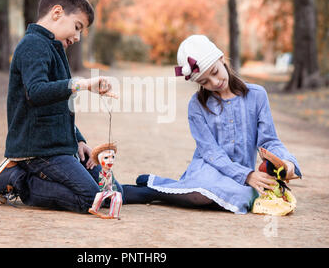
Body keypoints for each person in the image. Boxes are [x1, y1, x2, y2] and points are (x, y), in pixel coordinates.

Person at [122, 35, 302, 214]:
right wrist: (246, 175)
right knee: (204, 192)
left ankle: (158, 185)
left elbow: (269, 141)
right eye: (204, 82)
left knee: (242, 196)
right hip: (209, 167)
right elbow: (210, 152)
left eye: (215, 72)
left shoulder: (257, 96)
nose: (214, 83)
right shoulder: (197, 106)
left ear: (221, 58)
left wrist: (288, 162)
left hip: (240, 177)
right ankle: (148, 193)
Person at [0, 0, 120, 214]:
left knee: (113, 191)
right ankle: (19, 180)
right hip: (39, 149)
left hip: (60, 146)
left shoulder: (55, 49)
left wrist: (79, 140)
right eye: (77, 27)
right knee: (92, 199)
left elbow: (58, 107)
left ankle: (35, 177)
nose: (76, 37)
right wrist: (81, 84)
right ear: (57, 13)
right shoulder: (33, 45)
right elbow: (36, 92)